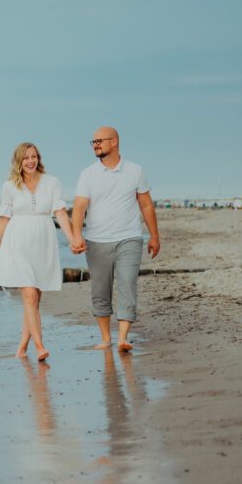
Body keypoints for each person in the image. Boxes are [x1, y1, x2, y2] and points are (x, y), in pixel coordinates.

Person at [0, 142, 81, 361]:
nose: (31, 161)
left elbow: (59, 212)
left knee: (34, 300)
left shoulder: (52, 182)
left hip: (43, 242)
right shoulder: (9, 186)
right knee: (29, 295)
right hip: (16, 242)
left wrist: (72, 239)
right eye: (26, 158)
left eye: (34, 156)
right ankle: (40, 346)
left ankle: (21, 348)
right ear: (18, 161)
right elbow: (3, 221)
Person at [70, 126, 160, 352]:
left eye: (100, 141)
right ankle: (105, 337)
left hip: (129, 238)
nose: (96, 145)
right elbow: (80, 207)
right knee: (100, 290)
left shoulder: (135, 170)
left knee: (127, 282)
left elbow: (146, 205)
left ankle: (122, 337)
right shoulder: (87, 174)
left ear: (115, 141)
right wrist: (77, 235)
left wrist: (154, 236)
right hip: (96, 241)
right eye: (93, 142)